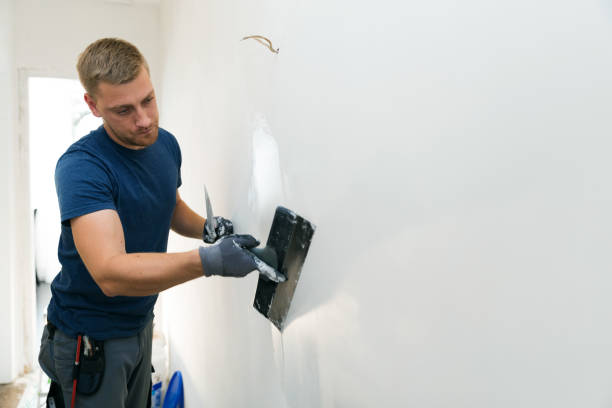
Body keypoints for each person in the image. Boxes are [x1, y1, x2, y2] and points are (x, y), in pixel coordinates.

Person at [38, 37, 271, 407]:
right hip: (90, 338)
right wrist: (209, 261)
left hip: (140, 322)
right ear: (93, 105)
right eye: (123, 110)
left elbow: (169, 205)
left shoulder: (165, 145)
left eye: (148, 100)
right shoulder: (82, 168)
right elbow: (110, 274)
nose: (144, 120)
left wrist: (206, 228)